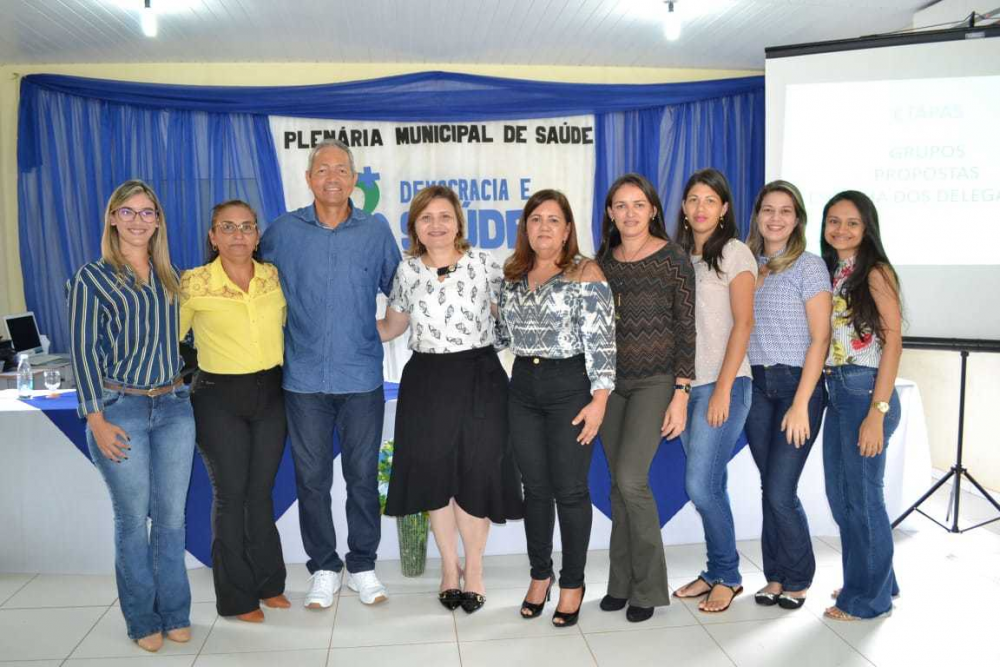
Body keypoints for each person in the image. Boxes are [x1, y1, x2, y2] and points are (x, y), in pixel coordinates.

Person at [260, 138, 402, 608]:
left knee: (362, 477)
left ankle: (362, 565)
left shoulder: (375, 230)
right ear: (308, 179)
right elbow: (254, 285)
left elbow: (400, 288)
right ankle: (323, 566)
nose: (333, 178)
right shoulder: (283, 231)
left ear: (354, 179)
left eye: (342, 169)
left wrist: (383, 328)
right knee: (312, 480)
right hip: (303, 382)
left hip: (361, 378)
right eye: (323, 170)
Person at [377, 185, 523, 614]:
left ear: (459, 221)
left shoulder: (484, 263)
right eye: (426, 217)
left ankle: (474, 569)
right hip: (426, 381)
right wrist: (340, 327)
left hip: (480, 378)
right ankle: (448, 567)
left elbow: (509, 319)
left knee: (477, 474)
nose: (436, 225)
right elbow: (392, 327)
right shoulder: (406, 271)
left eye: (444, 216)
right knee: (435, 477)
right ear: (414, 227)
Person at [69, 180, 195, 652]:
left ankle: (175, 612)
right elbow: (82, 353)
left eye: (147, 212)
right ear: (112, 218)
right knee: (132, 520)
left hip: (174, 407)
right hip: (121, 410)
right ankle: (142, 620)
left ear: (158, 221)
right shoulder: (92, 279)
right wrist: (96, 419)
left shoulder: (172, 277)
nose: (138, 221)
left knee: (171, 520)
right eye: (128, 212)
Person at [496, 189, 616, 628]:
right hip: (523, 388)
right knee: (535, 488)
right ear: (525, 228)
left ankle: (572, 583)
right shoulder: (512, 275)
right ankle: (540, 575)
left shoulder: (586, 272)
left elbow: (603, 342)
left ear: (567, 230)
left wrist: (600, 400)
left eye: (553, 220)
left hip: (570, 387)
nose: (543, 227)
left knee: (570, 489)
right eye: (535, 219)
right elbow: (501, 336)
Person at [180, 200, 289, 623]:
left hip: (272, 393)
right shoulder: (194, 283)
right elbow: (169, 337)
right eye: (227, 227)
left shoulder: (274, 277)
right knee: (230, 496)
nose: (238, 235)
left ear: (258, 235)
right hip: (218, 396)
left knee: (260, 492)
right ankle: (237, 598)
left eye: (246, 227)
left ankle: (269, 584)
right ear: (213, 236)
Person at [595, 174, 696, 623]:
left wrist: (681, 393)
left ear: (653, 210)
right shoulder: (602, 263)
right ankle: (620, 583)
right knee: (617, 488)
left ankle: (650, 588)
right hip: (610, 385)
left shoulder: (673, 259)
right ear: (610, 213)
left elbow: (687, 330)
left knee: (632, 479)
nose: (630, 213)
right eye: (621, 205)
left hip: (655, 383)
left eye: (638, 204)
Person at [671, 168, 756, 613]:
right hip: (687, 387)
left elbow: (743, 323)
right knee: (712, 485)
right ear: (684, 209)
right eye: (693, 199)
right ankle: (715, 569)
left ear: (723, 208)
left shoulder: (735, 253)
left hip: (725, 384)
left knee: (700, 486)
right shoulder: (679, 257)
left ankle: (728, 575)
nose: (700, 207)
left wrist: (723, 389)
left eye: (709, 200)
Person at [744, 181, 832, 610]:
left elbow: (820, 338)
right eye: (768, 210)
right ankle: (774, 576)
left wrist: (801, 404)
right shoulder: (747, 264)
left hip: (798, 387)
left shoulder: (809, 267)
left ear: (797, 219)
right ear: (757, 216)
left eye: (785, 211)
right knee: (769, 488)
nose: (775, 218)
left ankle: (798, 577)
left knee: (781, 490)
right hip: (756, 387)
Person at [820, 191, 903, 621]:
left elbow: (893, 343)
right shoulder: (834, 271)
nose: (841, 229)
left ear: (867, 228)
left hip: (865, 393)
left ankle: (868, 599)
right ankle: (874, 579)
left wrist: (877, 411)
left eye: (852, 222)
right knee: (841, 497)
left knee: (863, 498)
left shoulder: (875, 271)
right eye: (833, 221)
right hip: (838, 391)